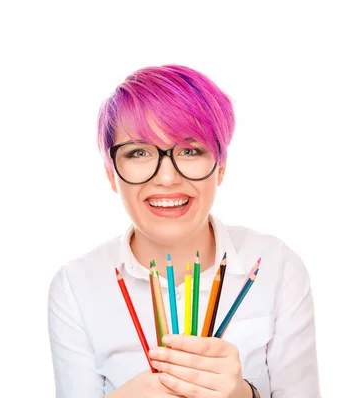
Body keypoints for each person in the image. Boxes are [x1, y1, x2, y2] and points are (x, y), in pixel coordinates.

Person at [48, 64, 321, 398]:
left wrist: (244, 395)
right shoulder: (75, 286)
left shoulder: (278, 266)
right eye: (139, 152)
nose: (166, 177)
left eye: (190, 150)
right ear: (111, 172)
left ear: (220, 166)